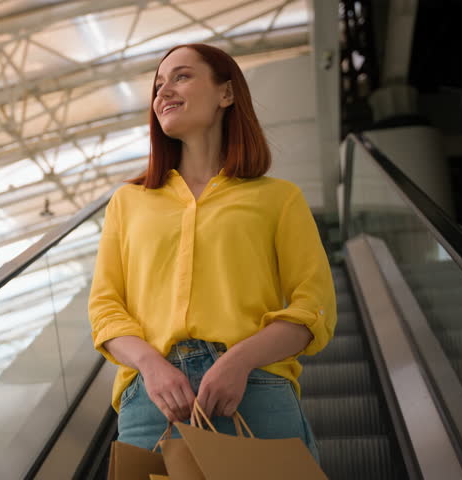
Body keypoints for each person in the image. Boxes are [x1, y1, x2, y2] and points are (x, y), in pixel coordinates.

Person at [87, 43, 337, 462]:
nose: (163, 92)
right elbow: (105, 307)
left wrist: (240, 360)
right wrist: (151, 366)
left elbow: (314, 305)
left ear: (227, 94)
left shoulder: (278, 198)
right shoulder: (128, 202)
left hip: (255, 391)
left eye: (181, 76)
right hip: (152, 403)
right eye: (158, 84)